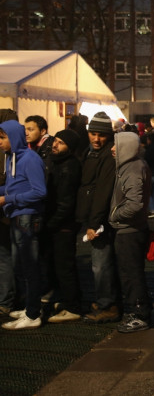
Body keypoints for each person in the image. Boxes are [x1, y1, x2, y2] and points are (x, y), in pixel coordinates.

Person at [0, 120, 47, 330]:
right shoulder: (12, 157)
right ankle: (31, 307)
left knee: (30, 267)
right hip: (18, 216)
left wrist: (8, 199)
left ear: (13, 137)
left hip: (27, 218)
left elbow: (39, 191)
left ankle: (33, 313)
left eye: (2, 137)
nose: (0, 142)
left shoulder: (29, 159)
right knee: (22, 266)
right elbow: (14, 186)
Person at [77, 112, 120, 324]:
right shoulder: (92, 154)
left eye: (101, 135)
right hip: (94, 218)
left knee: (101, 265)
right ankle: (105, 301)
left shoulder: (107, 157)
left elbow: (102, 192)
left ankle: (108, 305)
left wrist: (94, 223)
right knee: (100, 264)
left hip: (101, 222)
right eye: (93, 134)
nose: (96, 139)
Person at [109, 131, 152, 333]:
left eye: (116, 145)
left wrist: (115, 215)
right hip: (131, 228)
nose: (112, 149)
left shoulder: (132, 168)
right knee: (131, 272)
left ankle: (139, 314)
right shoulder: (130, 166)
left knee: (131, 273)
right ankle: (138, 309)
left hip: (130, 230)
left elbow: (135, 203)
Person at [45, 130, 83, 323]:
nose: (55, 145)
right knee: (59, 265)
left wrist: (51, 223)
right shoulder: (58, 162)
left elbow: (66, 202)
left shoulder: (69, 166)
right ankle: (68, 301)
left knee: (64, 266)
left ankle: (73, 306)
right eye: (55, 141)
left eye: (60, 142)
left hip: (64, 225)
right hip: (58, 222)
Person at [0, 109, 18, 316]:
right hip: (8, 212)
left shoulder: (16, 155)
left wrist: (6, 196)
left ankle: (6, 299)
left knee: (6, 257)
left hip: (7, 212)